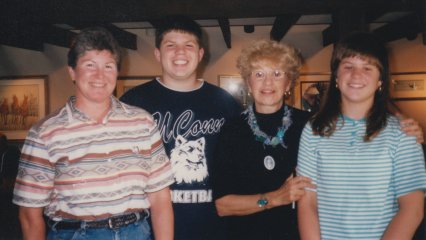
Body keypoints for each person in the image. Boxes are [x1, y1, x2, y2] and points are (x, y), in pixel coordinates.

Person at [13, 27, 174, 240]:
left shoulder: (142, 122)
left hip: (136, 232)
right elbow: (29, 214)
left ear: (117, 72)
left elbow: (160, 198)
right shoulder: (45, 133)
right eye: (90, 65)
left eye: (108, 66)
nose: (100, 75)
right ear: (72, 71)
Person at [120, 16, 241, 240]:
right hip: (148, 230)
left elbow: (241, 164)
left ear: (200, 53)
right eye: (171, 45)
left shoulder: (224, 102)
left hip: (214, 229)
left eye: (188, 45)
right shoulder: (134, 101)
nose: (180, 53)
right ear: (158, 53)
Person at [297, 31, 426, 239]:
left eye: (368, 67)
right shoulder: (313, 131)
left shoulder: (404, 133)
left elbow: (412, 209)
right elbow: (308, 203)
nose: (356, 75)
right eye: (348, 67)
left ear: (380, 80)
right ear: (336, 77)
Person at [211, 39, 315, 239]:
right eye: (259, 74)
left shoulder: (310, 125)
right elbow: (222, 205)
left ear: (289, 82)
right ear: (249, 83)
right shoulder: (232, 130)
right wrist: (275, 198)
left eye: (277, 74)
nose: (268, 82)